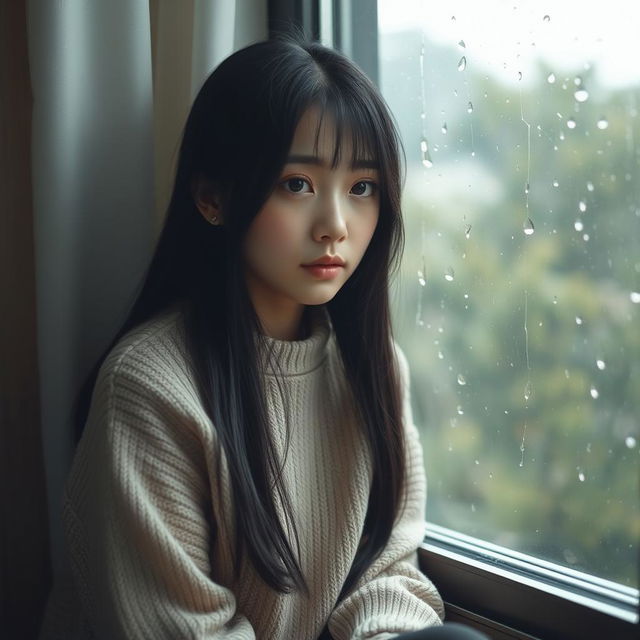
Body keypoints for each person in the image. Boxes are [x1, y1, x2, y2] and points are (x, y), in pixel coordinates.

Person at [39, 36, 488, 640]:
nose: (335, 225)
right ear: (213, 198)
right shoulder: (147, 389)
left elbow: (386, 570)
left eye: (362, 188)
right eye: (297, 184)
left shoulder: (373, 366)